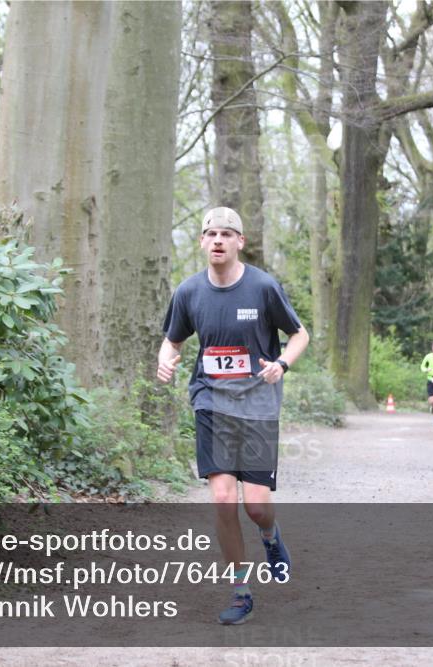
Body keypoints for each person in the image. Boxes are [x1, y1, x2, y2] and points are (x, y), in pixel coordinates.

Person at [156, 206, 309, 625]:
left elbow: (300, 333)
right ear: (203, 242)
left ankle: (270, 537)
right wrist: (165, 361)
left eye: (227, 233)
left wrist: (283, 364)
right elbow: (173, 341)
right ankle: (241, 591)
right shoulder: (189, 292)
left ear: (240, 241)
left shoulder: (262, 287)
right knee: (224, 500)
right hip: (211, 401)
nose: (218, 240)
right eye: (211, 233)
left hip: (257, 404)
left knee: (257, 507)